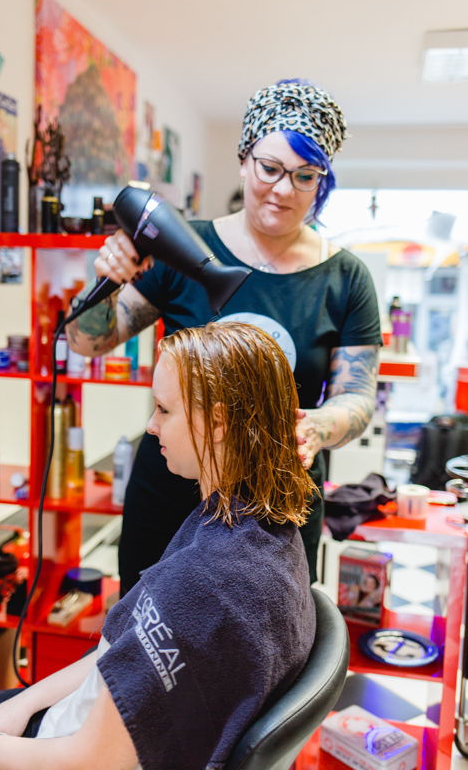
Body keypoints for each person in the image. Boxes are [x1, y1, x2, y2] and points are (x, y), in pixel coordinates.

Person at [0, 322, 316, 770]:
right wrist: (20, 705)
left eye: (163, 409)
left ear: (217, 422)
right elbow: (118, 648)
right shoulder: (261, 530)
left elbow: (94, 760)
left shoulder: (207, 580)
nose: (151, 426)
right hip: (82, 722)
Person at [66, 78, 382, 591]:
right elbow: (86, 343)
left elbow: (358, 396)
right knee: (147, 649)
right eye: (271, 168)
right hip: (168, 498)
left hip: (277, 509)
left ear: (322, 181)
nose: (283, 189)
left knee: (267, 655)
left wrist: (319, 427)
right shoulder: (182, 246)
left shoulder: (344, 278)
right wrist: (106, 280)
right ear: (243, 160)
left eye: (305, 176)